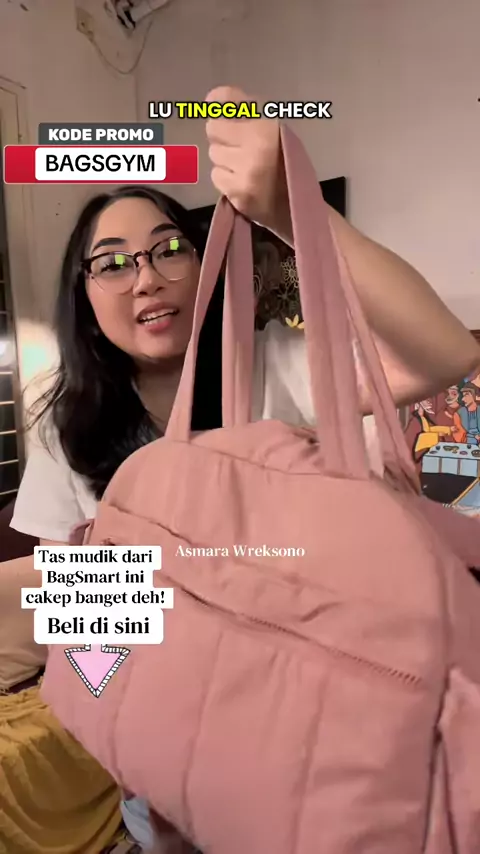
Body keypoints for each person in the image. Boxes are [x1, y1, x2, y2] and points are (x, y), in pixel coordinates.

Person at [8, 85, 480, 849]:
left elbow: (448, 354)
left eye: (169, 249)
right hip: (164, 778)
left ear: (204, 263)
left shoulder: (280, 367)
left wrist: (294, 214)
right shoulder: (65, 432)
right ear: (83, 298)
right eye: (112, 264)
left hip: (322, 773)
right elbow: (86, 641)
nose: (146, 277)